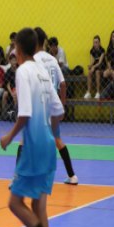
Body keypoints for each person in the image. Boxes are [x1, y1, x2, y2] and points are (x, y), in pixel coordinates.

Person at [0, 28, 65, 227]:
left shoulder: (23, 71)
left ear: (18, 48)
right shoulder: (41, 70)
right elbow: (59, 110)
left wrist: (9, 136)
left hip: (35, 146)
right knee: (39, 207)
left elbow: (24, 113)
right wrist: (49, 131)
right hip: (49, 143)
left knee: (15, 203)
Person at [32, 27, 78, 185]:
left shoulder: (34, 59)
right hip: (54, 105)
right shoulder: (52, 59)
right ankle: (72, 176)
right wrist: (62, 105)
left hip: (40, 104)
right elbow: (63, 84)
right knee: (57, 140)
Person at [85, 35, 105, 99]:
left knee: (97, 72)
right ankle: (88, 92)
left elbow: (99, 62)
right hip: (95, 67)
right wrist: (90, 65)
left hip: (101, 67)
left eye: (97, 42)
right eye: (94, 42)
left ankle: (98, 92)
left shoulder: (102, 50)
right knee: (89, 73)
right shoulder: (92, 51)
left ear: (99, 43)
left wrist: (93, 67)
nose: (95, 44)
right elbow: (92, 61)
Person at [2, 52, 18, 119]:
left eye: (15, 60)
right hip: (10, 89)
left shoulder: (19, 70)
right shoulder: (8, 71)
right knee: (5, 94)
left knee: (15, 94)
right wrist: (11, 92)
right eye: (12, 60)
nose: (14, 62)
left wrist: (15, 91)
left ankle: (16, 114)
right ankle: (4, 113)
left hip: (18, 88)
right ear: (10, 61)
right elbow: (7, 84)